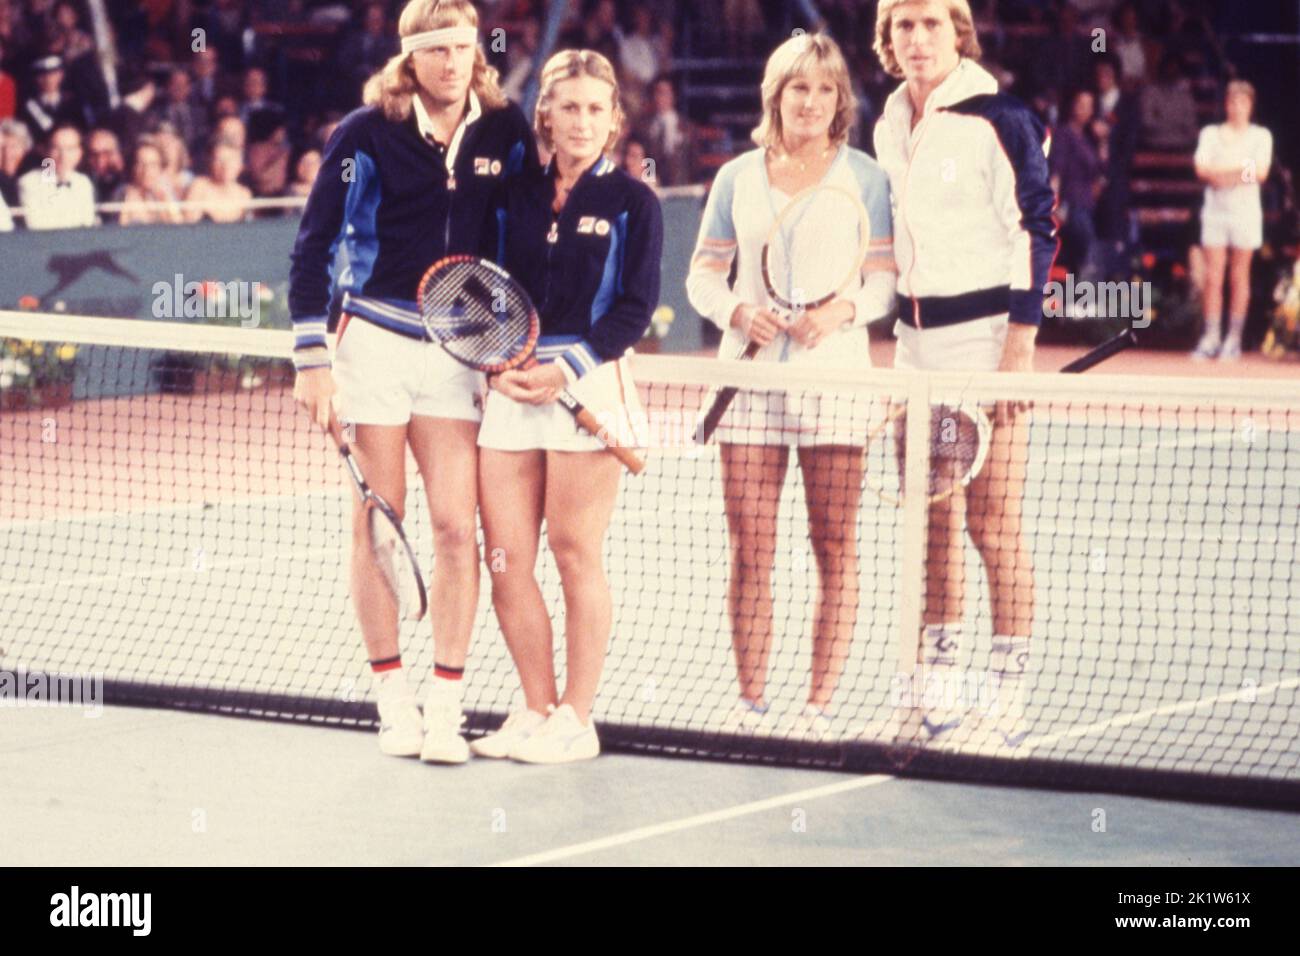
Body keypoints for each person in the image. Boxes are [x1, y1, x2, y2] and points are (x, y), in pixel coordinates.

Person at [289, 0, 539, 763]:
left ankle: (446, 704)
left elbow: (521, 242)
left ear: (477, 52)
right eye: (436, 50)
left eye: (463, 47)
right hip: (373, 344)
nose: (451, 61)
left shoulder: (506, 132)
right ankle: (391, 696)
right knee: (376, 521)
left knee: (458, 527)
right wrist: (311, 361)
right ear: (410, 57)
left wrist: (510, 346)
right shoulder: (364, 134)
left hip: (457, 349)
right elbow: (312, 246)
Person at [685, 33, 895, 740]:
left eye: (825, 89)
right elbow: (703, 275)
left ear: (841, 99)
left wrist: (839, 311)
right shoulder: (736, 177)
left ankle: (818, 707)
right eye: (798, 87)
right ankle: (749, 702)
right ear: (775, 94)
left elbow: (885, 280)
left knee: (833, 544)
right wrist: (738, 310)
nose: (811, 101)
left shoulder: (867, 177)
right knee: (751, 546)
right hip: (747, 380)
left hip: (835, 378)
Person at [870, 0, 1056, 751]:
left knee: (992, 522)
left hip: (985, 342)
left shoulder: (1000, 116)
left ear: (959, 32)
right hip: (915, 346)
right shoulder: (887, 119)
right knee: (932, 522)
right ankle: (932, 692)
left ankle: (1007, 699)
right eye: (902, 26)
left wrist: (1019, 342)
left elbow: (1036, 223)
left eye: (930, 25)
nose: (917, 40)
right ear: (887, 41)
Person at [470, 49, 663, 765]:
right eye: (568, 107)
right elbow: (483, 287)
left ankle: (578, 720)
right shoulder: (512, 195)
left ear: (614, 120)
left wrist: (565, 369)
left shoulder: (633, 201)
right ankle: (536, 707)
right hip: (512, 384)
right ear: (544, 114)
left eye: (595, 109)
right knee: (505, 557)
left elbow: (637, 307)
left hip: (590, 382)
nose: (581, 122)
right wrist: (500, 361)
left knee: (574, 551)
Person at [1190, 81, 1272, 361]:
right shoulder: (1211, 134)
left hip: (1245, 214)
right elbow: (1202, 170)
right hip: (1215, 213)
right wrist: (1238, 170)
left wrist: (1221, 173)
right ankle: (1211, 337)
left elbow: (1258, 174)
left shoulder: (1261, 136)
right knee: (1213, 277)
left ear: (1250, 106)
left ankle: (1233, 339)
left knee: (1239, 275)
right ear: (1226, 104)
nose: (1237, 108)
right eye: (1233, 102)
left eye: (1243, 103)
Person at [17, 124, 96, 228]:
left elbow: (88, 223)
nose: (63, 156)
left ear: (80, 153)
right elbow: (37, 226)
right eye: (56, 148)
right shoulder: (29, 182)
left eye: (70, 149)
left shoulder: (83, 182)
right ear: (45, 151)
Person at [117, 137, 183, 225]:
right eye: (140, 164)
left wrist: (165, 201)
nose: (146, 171)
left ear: (161, 168)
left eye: (153, 165)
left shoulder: (165, 193)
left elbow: (180, 229)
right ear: (133, 167)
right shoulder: (123, 194)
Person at [182, 140, 253, 222]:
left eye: (231, 160)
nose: (226, 166)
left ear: (240, 165)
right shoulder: (200, 187)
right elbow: (188, 226)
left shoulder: (244, 194)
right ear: (211, 162)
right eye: (220, 160)